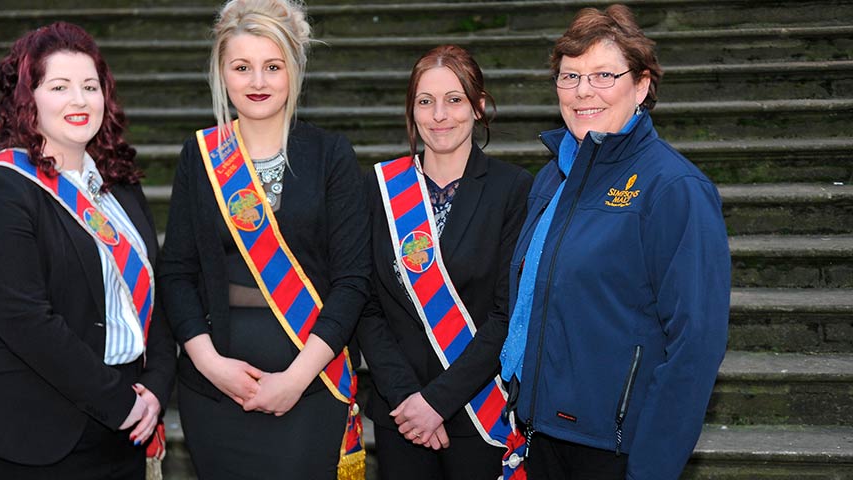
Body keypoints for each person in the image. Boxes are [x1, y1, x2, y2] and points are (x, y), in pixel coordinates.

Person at [498, 5, 731, 479]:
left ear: (642, 85)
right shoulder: (551, 179)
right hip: (540, 435)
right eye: (570, 76)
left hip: (617, 450)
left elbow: (696, 344)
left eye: (603, 74)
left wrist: (652, 468)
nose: (583, 91)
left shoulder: (674, 189)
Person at [0, 22, 177, 479]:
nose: (79, 100)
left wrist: (155, 387)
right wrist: (119, 399)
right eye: (60, 86)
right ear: (28, 99)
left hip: (126, 428)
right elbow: (24, 319)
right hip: (32, 436)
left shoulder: (120, 189)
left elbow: (155, 296)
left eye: (90, 86)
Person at [158, 0, 370, 479]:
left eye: (272, 67)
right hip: (213, 391)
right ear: (221, 73)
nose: (257, 82)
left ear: (293, 71)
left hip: (311, 387)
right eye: (242, 67)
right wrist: (209, 363)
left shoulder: (330, 155)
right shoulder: (201, 155)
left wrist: (297, 379)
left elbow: (353, 280)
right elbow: (176, 272)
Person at [355, 44, 533, 480]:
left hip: (477, 410)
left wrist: (437, 402)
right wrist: (409, 400)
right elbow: (367, 304)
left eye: (454, 100)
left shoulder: (514, 190)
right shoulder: (381, 188)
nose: (440, 115)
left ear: (479, 107)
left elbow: (506, 315)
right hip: (400, 412)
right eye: (425, 101)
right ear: (411, 111)